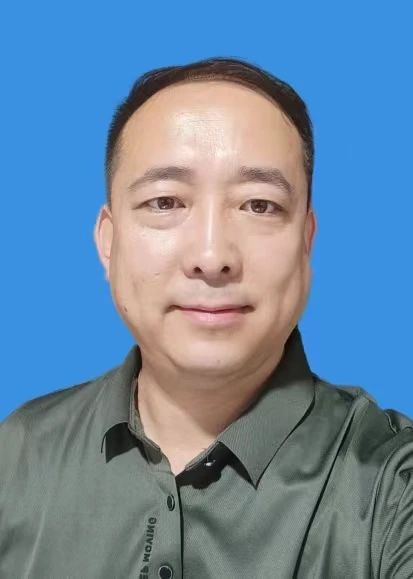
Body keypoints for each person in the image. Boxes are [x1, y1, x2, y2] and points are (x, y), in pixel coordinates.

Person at [0, 57, 412, 579]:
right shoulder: (17, 455)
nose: (212, 256)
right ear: (108, 241)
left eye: (259, 205)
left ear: (306, 241)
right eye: (165, 202)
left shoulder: (391, 484)